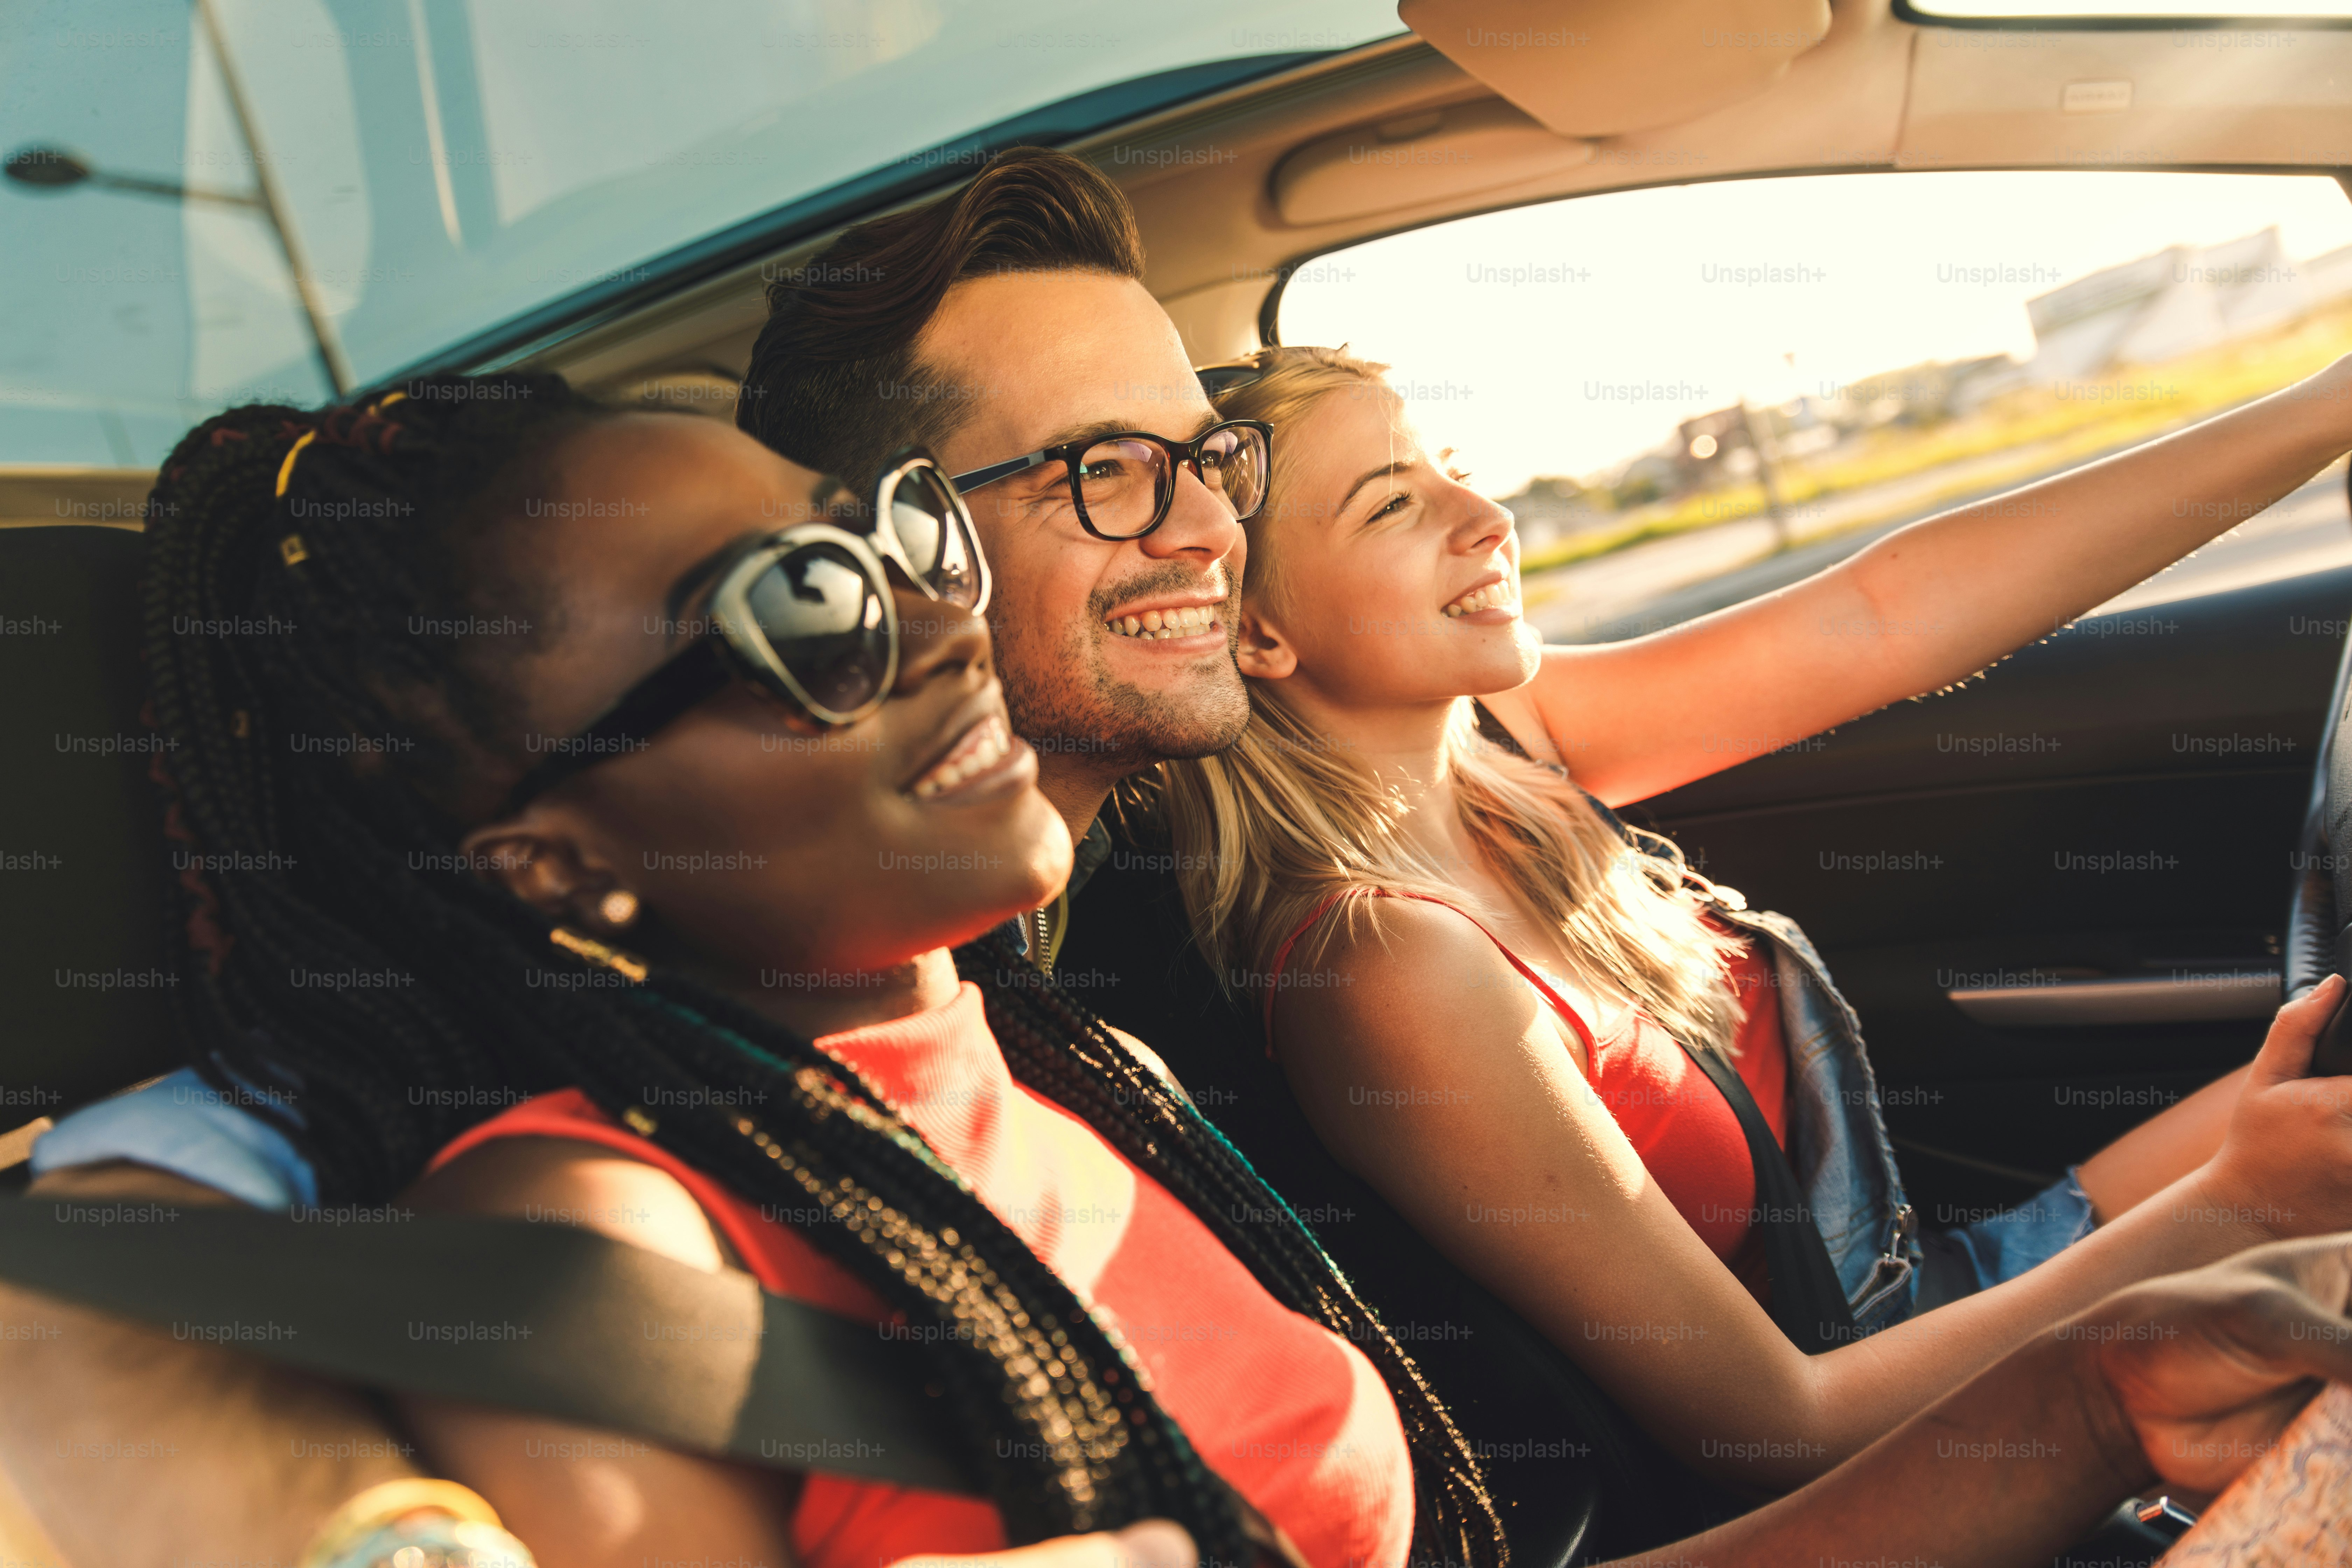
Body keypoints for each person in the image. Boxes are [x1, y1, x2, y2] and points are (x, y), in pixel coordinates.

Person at [8, 372, 2352, 1568]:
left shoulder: (1063, 1074)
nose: (927, 619)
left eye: (881, 541)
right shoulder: (601, 1246)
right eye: (798, 615)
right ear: (552, 858)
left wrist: (2090, 1398)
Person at [1139, 341, 2352, 1492]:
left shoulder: (1509, 743)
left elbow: (1887, 613)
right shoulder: (1386, 966)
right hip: (1897, 1447)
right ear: (1257, 630)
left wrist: (2328, 404)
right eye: (1393, 505)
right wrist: (2234, 1200)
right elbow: (1780, 1431)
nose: (1489, 518)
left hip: (1930, 1302)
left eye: (1454, 467)